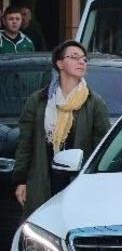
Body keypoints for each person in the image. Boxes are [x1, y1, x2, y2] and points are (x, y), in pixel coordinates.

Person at [12, 41, 110, 216]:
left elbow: (102, 149)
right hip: (43, 180)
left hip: (77, 183)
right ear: (59, 64)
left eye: (84, 59)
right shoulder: (38, 101)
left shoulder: (94, 103)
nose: (82, 62)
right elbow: (25, 144)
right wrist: (21, 180)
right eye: (74, 57)